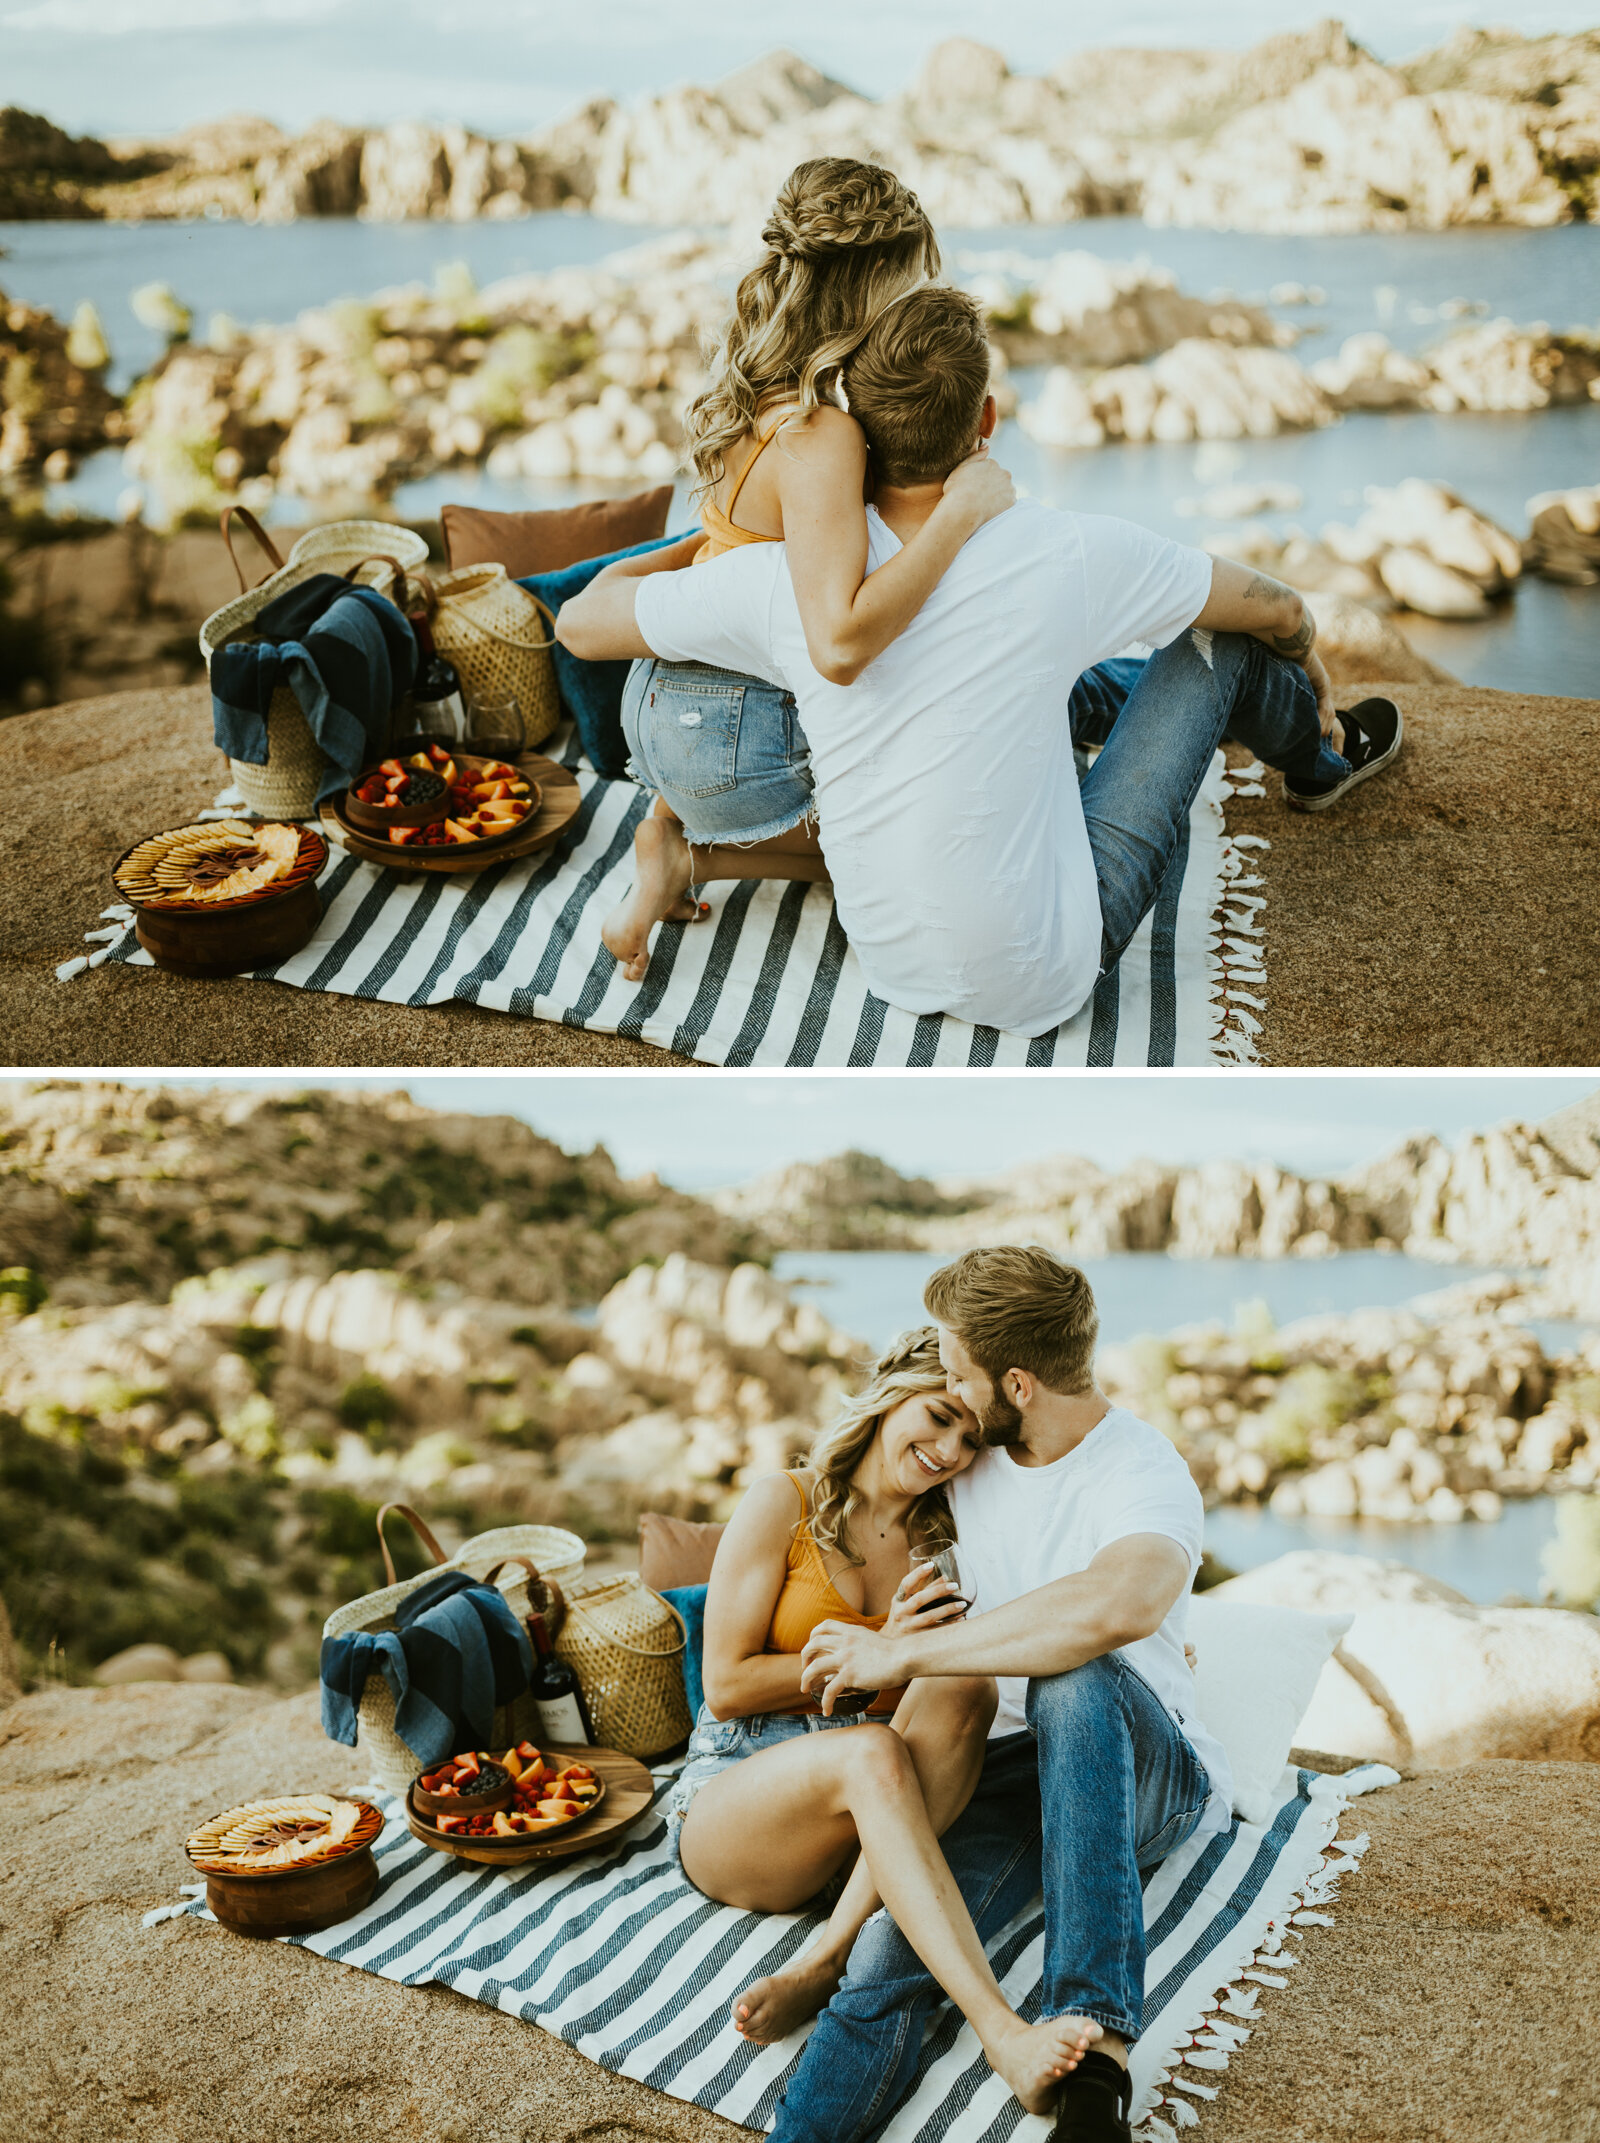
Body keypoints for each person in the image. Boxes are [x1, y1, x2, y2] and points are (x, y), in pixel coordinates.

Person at [558, 285, 1402, 1035]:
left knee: (1048, 679)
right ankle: (1319, 760)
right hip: (1047, 977)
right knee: (1217, 641)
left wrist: (700, 544)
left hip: (891, 966)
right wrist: (1309, 662)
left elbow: (581, 625)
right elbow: (1279, 606)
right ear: (986, 420)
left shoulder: (791, 583)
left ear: (859, 431)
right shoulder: (1062, 551)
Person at [764, 1247, 1233, 2143]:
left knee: (1074, 1670)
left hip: (1143, 1773)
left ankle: (1098, 2080)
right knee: (894, 1955)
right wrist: (901, 1634)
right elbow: (866, 1515)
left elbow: (1119, 1602)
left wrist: (900, 1661)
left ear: (1016, 1383)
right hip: (1008, 1774)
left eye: (957, 1366)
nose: (946, 1379)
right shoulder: (966, 1464)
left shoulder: (1142, 1470)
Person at [669, 1326, 1103, 2117]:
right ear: (890, 1395)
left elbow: (940, 1694)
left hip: (863, 1814)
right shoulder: (786, 1500)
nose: (948, 1449)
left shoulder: (942, 1545)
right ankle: (1001, 2030)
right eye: (937, 1416)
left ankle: (830, 1954)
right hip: (735, 1797)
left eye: (970, 1439)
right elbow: (725, 1685)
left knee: (964, 1684)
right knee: (870, 1750)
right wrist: (880, 1647)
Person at [599, 157, 1014, 981]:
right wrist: (965, 509)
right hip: (728, 729)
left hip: (670, 695)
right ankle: (685, 850)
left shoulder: (750, 375)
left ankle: (675, 832)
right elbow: (841, 641)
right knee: (917, 852)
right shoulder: (819, 429)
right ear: (878, 282)